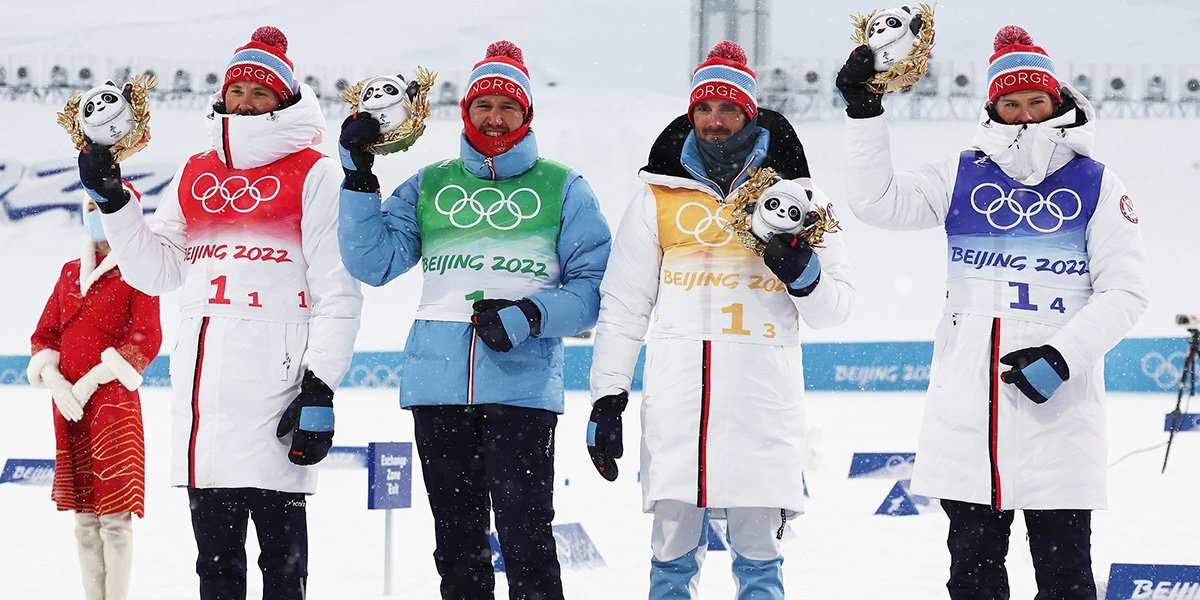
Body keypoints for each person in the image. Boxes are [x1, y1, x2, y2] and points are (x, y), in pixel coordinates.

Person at [837, 26, 1149, 600]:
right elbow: (875, 203)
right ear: (993, 107)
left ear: (1058, 101)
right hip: (968, 416)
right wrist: (864, 112)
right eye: (1012, 102)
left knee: (1067, 585)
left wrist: (1061, 355)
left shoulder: (1099, 183)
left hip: (1059, 410)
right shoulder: (960, 173)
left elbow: (1126, 293)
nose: (1026, 115)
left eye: (1037, 101)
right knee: (974, 582)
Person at [79, 26, 363, 600]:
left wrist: (321, 388)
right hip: (203, 404)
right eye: (239, 90)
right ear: (223, 97)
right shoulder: (195, 169)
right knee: (215, 571)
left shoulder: (315, 172)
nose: (247, 102)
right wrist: (115, 203)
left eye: (261, 92)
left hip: (279, 397)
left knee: (284, 571)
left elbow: (338, 290)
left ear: (284, 99)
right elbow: (156, 270)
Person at [337, 41, 611, 600]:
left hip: (522, 388)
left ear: (527, 114)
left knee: (527, 543)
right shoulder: (429, 183)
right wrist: (359, 176)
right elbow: (374, 262)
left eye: (508, 106)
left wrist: (530, 314)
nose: (495, 116)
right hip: (437, 387)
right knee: (456, 549)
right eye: (483, 104)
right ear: (466, 112)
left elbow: (592, 292)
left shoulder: (565, 186)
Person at [587, 41, 854, 599]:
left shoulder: (804, 201)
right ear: (691, 115)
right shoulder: (656, 198)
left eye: (728, 108)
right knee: (670, 557)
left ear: (749, 114)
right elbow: (624, 307)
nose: (715, 120)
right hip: (678, 405)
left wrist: (804, 274)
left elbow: (838, 309)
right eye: (704, 108)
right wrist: (608, 396)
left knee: (759, 558)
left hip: (762, 405)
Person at [28, 196, 162, 600]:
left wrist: (90, 381)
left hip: (113, 405)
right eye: (89, 208)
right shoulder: (70, 272)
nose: (95, 217)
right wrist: (55, 380)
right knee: (84, 519)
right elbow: (45, 334)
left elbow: (146, 339)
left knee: (115, 519)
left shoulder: (139, 271)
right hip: (68, 406)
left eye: (103, 208)